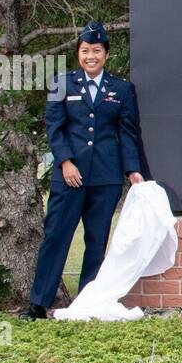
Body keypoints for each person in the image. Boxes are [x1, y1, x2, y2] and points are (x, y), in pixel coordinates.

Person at [21, 22, 144, 319]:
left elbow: (127, 133)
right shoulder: (61, 84)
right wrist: (64, 161)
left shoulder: (121, 89)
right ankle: (39, 302)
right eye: (86, 50)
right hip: (69, 177)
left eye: (97, 51)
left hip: (105, 177)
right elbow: (54, 127)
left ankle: (88, 302)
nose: (91, 56)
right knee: (56, 237)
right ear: (78, 53)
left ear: (106, 54)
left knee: (96, 240)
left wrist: (133, 171)